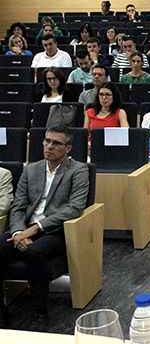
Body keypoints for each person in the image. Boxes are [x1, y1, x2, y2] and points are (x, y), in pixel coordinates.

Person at [0, 125, 89, 324]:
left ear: (68, 148)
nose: (49, 146)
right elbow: (18, 206)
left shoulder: (78, 170)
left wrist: (34, 229)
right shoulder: (32, 169)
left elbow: (74, 208)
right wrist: (18, 232)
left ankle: (39, 310)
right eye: (47, 141)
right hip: (24, 229)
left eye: (56, 143)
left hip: (55, 230)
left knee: (34, 252)